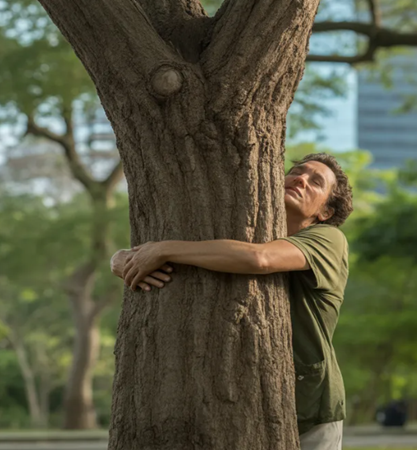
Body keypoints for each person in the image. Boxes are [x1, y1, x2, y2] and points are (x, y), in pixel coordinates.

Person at [110, 153, 353, 450]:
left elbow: (258, 258)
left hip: (311, 406)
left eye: (316, 182)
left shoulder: (328, 238)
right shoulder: (247, 230)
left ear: (325, 212)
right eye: (296, 172)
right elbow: (225, 252)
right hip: (247, 399)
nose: (300, 178)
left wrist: (165, 250)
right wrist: (121, 259)